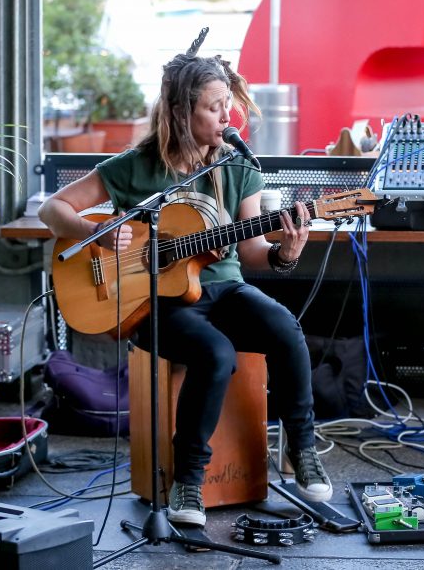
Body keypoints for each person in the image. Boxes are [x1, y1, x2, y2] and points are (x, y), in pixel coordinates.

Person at [38, 31, 332, 527]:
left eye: (228, 107)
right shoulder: (135, 168)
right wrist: (98, 233)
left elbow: (251, 252)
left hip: (226, 290)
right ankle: (188, 482)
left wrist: (285, 253)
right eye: (214, 108)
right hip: (155, 303)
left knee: (285, 328)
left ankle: (301, 449)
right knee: (214, 353)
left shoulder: (238, 169)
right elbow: (53, 208)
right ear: (180, 112)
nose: (227, 118)